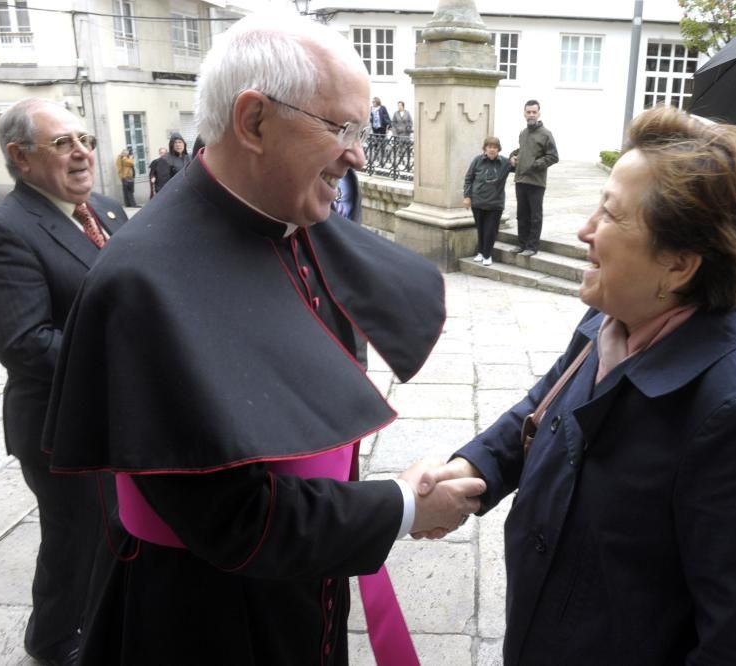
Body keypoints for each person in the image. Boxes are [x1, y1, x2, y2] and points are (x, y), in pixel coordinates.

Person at [41, 15, 484, 665]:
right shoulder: (143, 285)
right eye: (342, 128)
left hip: (304, 579)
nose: (359, 153)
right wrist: (402, 508)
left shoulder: (288, 221)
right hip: (210, 616)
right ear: (253, 122)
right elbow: (233, 518)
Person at [425, 106, 736, 664]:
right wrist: (468, 472)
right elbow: (542, 408)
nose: (584, 230)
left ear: (679, 265)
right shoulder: (608, 320)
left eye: (608, 213)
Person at [0, 98, 128, 666]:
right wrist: (132, 356)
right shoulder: (3, 231)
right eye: (63, 143)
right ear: (19, 157)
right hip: (57, 428)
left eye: (84, 138)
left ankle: (106, 625)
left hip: (117, 415)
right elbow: (25, 343)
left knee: (115, 528)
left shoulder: (106, 210)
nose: (83, 151)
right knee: (75, 539)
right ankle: (56, 642)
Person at [508, 99, 558, 256]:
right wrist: (513, 156)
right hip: (520, 180)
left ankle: (532, 246)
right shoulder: (523, 133)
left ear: (539, 113)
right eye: (528, 112)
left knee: (535, 216)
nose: (531, 115)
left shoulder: (546, 134)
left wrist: (534, 164)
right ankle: (521, 244)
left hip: (536, 182)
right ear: (524, 113)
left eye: (534, 112)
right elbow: (522, 150)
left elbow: (553, 156)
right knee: (521, 215)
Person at [463, 136, 512, 266]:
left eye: (495, 147)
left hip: (495, 203)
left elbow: (517, 165)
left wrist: (515, 159)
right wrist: (467, 196)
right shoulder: (477, 161)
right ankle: (480, 252)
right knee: (481, 229)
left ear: (498, 149)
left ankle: (487, 254)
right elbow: (469, 178)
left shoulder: (504, 163)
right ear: (485, 148)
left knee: (490, 230)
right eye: (489, 147)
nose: (492, 150)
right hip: (478, 201)